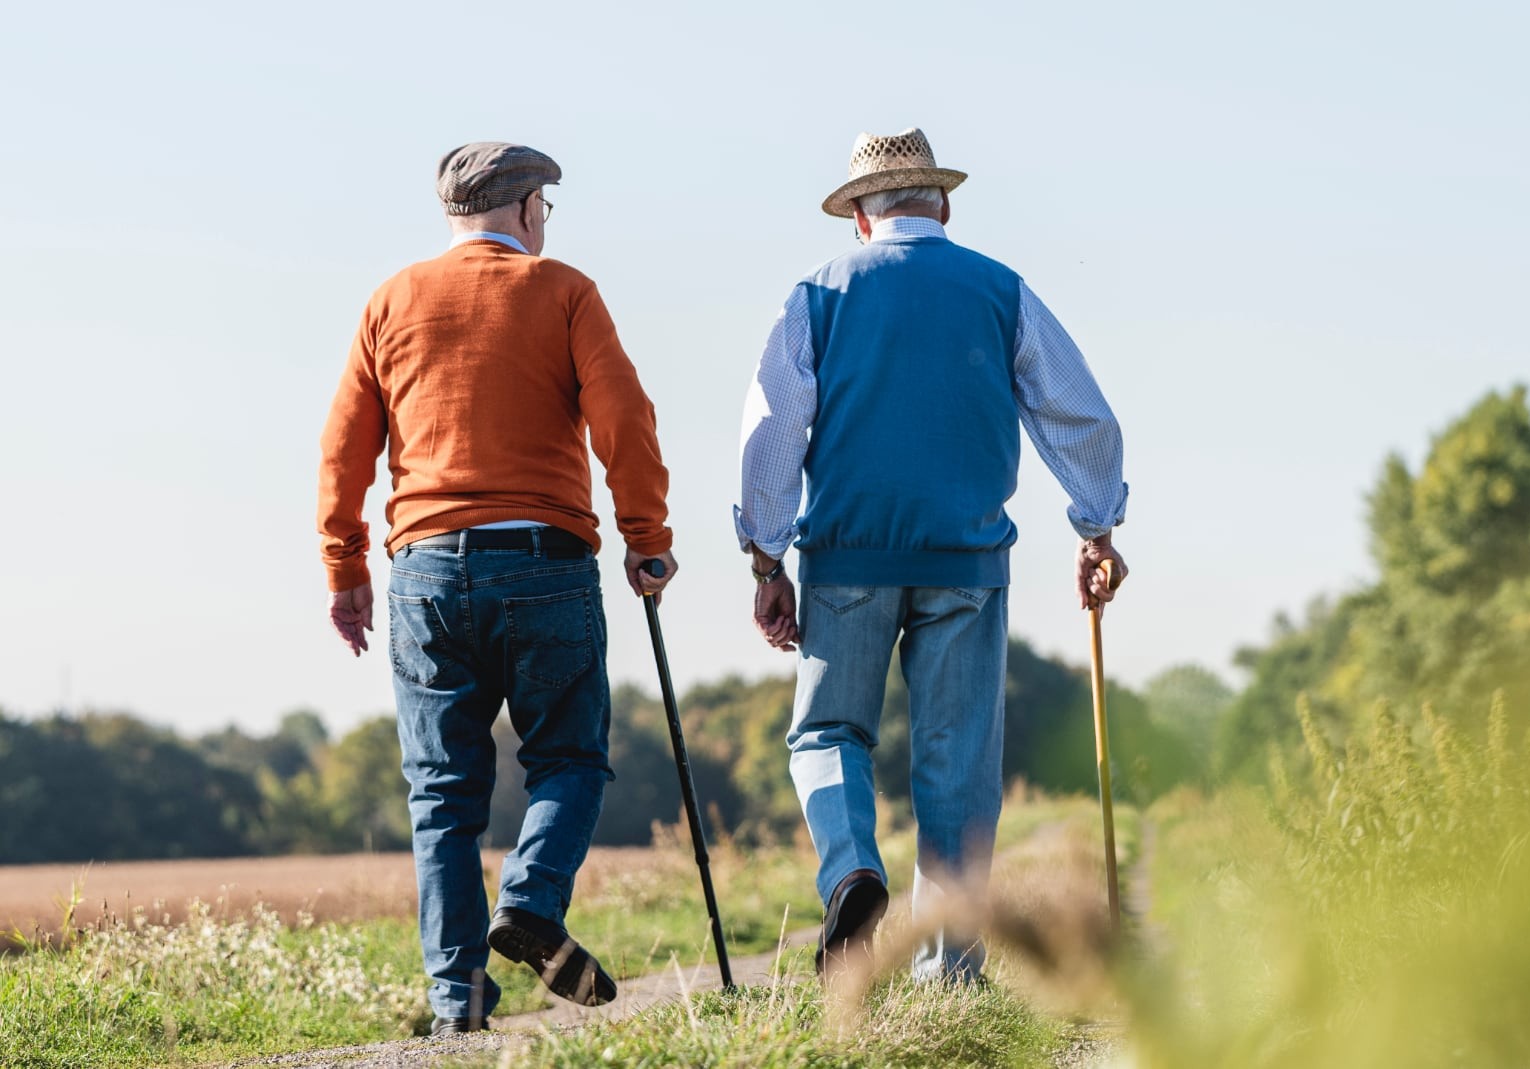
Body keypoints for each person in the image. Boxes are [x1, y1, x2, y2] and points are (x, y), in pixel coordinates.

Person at [734, 128, 1130, 983]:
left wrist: (767, 561)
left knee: (828, 731)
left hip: (846, 557)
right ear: (941, 204)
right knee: (957, 763)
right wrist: (1097, 525)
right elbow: (1079, 414)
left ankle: (851, 870)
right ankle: (949, 972)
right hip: (967, 560)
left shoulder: (819, 292)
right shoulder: (999, 289)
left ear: (859, 220)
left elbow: (771, 430)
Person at [318, 142, 677, 1033]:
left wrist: (345, 566)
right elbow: (623, 417)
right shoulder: (563, 291)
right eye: (545, 210)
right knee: (569, 755)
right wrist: (647, 539)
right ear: (526, 211)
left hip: (425, 567)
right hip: (543, 559)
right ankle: (532, 899)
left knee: (442, 790)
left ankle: (456, 1003)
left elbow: (342, 448)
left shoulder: (390, 299)